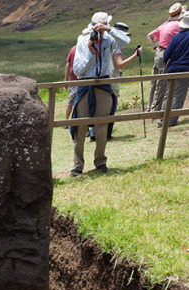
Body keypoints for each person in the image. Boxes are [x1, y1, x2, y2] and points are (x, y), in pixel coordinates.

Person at [70, 12, 130, 176]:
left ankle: (100, 161)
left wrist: (109, 29)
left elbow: (126, 41)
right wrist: (90, 52)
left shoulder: (110, 40)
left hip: (104, 84)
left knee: (102, 126)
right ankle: (77, 165)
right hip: (85, 84)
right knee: (80, 126)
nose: (99, 34)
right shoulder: (82, 40)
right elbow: (77, 70)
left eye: (102, 29)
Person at [147, 3, 186, 113]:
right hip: (166, 54)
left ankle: (150, 107)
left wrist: (155, 48)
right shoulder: (178, 26)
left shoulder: (165, 24)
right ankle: (156, 111)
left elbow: (149, 36)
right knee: (162, 84)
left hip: (159, 52)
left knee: (154, 83)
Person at [158, 10, 189, 125]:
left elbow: (166, 55)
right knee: (178, 95)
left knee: (169, 94)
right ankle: (170, 121)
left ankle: (162, 118)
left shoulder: (176, 37)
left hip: (172, 69)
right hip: (185, 70)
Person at [65, 44, 78, 119]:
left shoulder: (73, 49)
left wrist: (66, 81)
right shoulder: (85, 48)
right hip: (83, 80)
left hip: (73, 81)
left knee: (70, 102)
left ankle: (66, 120)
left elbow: (68, 65)